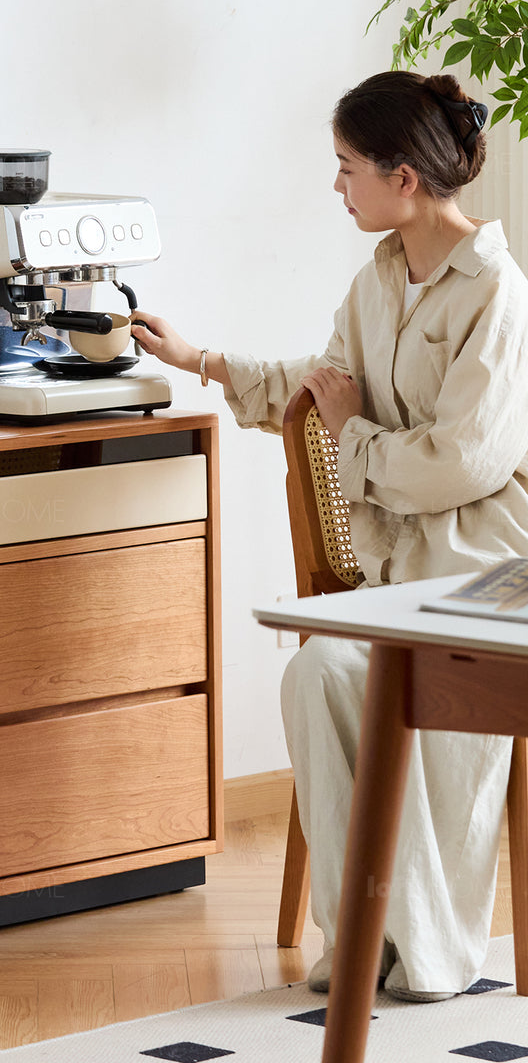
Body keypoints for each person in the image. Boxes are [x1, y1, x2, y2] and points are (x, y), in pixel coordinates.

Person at [131, 70, 528, 1003]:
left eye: (348, 167)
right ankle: (361, 940)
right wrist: (198, 359)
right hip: (397, 582)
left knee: (412, 697)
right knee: (316, 673)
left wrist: (355, 441)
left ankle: (427, 952)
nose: (336, 184)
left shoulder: (498, 294)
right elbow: (325, 383)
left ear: (403, 178)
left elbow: (463, 463)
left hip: (484, 581)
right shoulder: (376, 281)